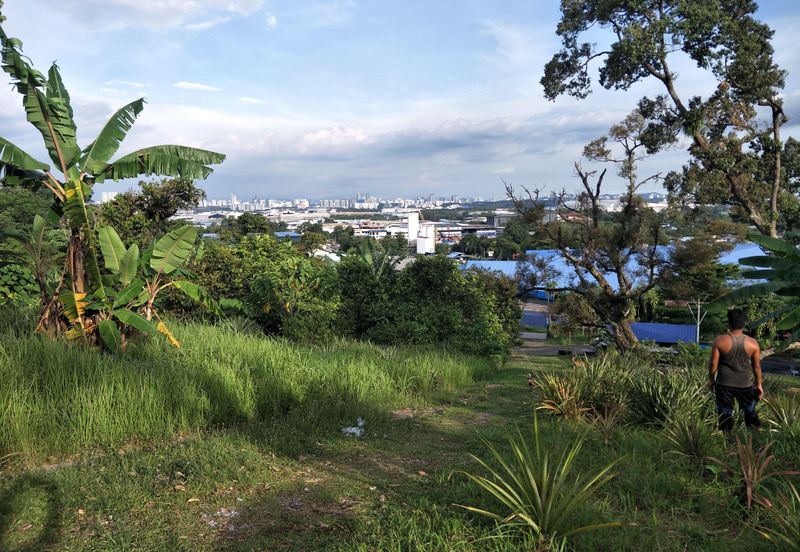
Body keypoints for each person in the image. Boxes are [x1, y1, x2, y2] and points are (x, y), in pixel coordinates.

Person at [708, 308, 763, 432]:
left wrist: (711, 380)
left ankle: (727, 440)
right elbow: (757, 367)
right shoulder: (753, 343)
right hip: (745, 384)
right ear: (744, 323)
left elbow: (713, 364)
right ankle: (755, 437)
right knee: (750, 411)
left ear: (729, 322)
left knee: (725, 413)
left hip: (724, 384)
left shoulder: (719, 341)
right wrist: (759, 384)